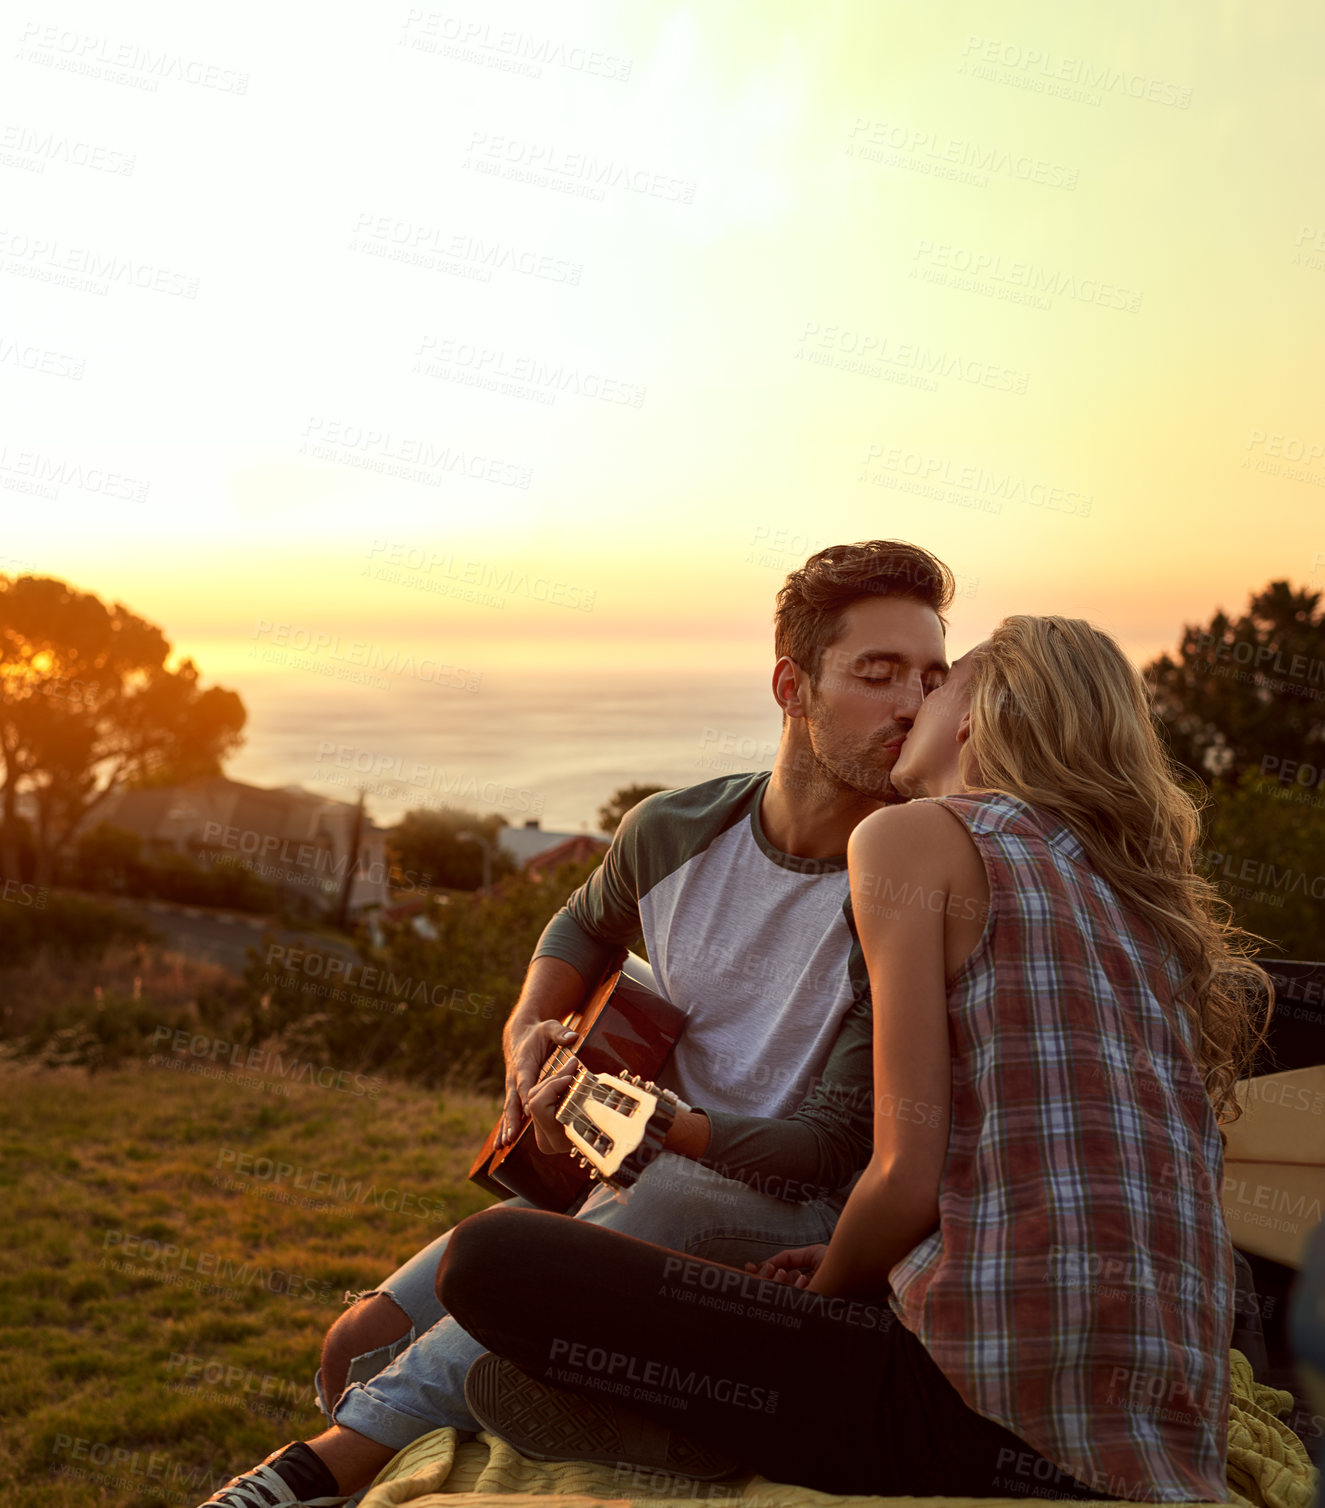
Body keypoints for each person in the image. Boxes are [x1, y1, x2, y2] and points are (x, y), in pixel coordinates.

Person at [436, 615, 1273, 1502]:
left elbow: (903, 1174)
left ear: (975, 719)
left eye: (938, 684)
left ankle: (688, 1421)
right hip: (1159, 1424)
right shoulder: (1136, 902)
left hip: (968, 1411)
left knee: (488, 1260)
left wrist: (828, 1290)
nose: (913, 703)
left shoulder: (912, 839)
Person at [198, 540, 955, 1507]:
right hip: (629, 1170)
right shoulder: (674, 829)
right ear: (791, 685)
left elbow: (832, 1145)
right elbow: (583, 922)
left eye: (930, 679)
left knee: (660, 1199)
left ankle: (313, 1472)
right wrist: (527, 1040)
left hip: (790, 1211)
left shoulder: (905, 883)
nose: (908, 705)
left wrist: (665, 1128)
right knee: (357, 1339)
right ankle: (620, 1410)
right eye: (876, 672)